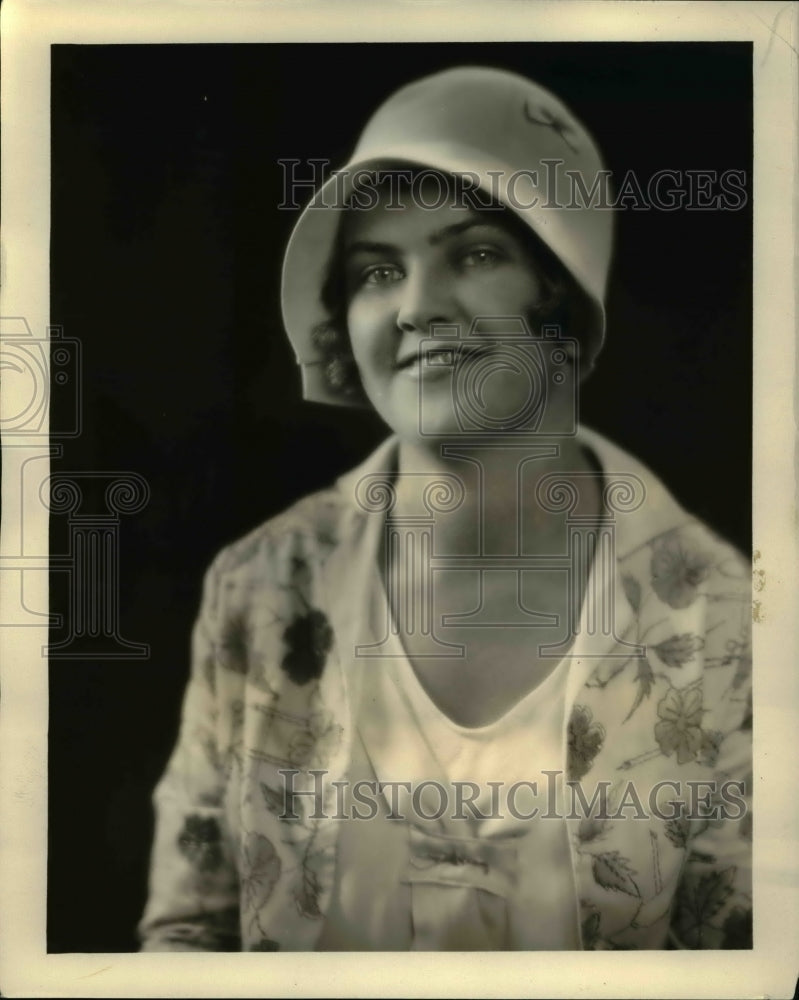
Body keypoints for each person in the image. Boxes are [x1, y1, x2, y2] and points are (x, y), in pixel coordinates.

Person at [138, 66, 752, 951]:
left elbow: (747, 959)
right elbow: (188, 934)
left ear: (560, 301)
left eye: (473, 254)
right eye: (377, 271)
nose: (418, 307)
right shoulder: (263, 586)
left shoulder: (724, 615)